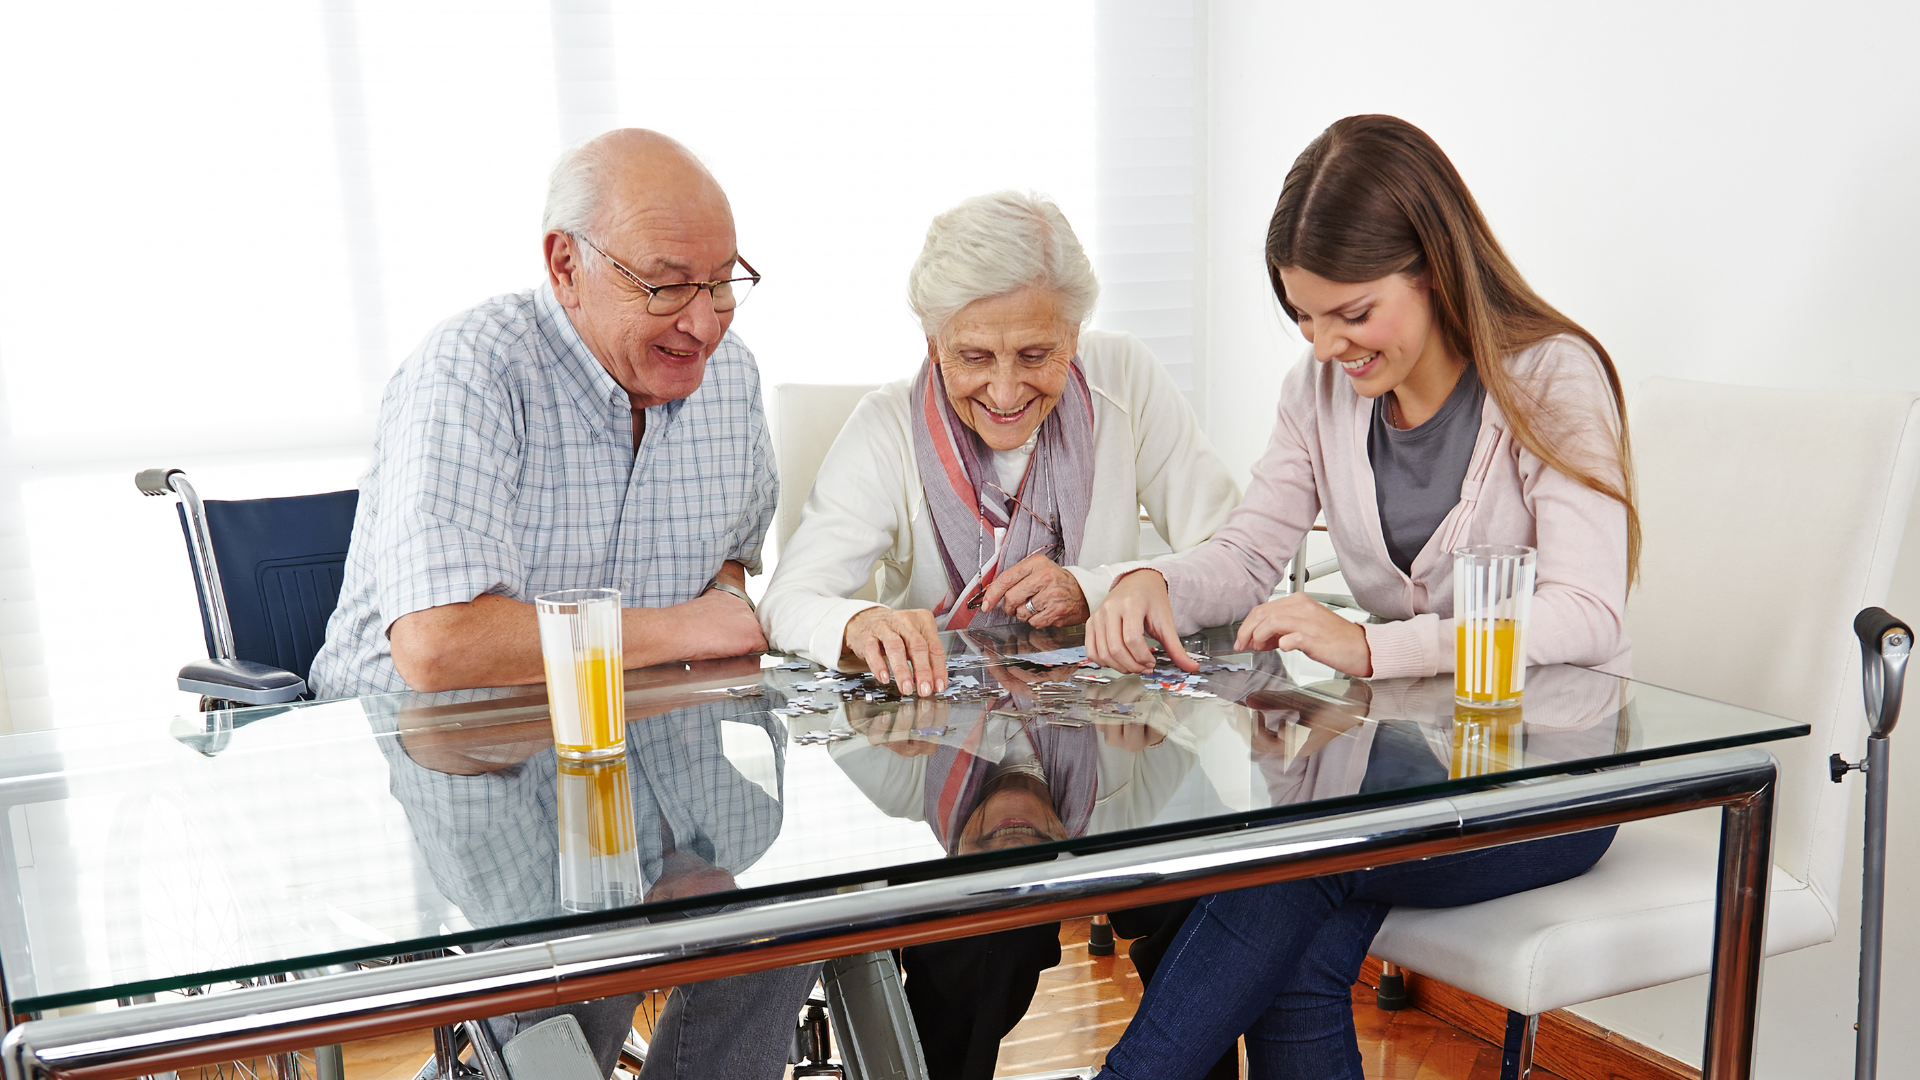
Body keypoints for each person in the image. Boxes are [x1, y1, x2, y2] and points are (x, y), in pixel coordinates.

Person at [1083, 114, 1638, 1079]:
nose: (1327, 343)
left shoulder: (1551, 376)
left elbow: (1591, 612)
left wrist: (1378, 648)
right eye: (1304, 315)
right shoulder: (1319, 392)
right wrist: (1149, 580)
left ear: (1432, 263)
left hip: (1553, 784)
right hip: (1407, 775)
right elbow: (1252, 549)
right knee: (1294, 926)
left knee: (1288, 873)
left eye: (1354, 312)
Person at [308, 128, 809, 1080]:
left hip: (632, 741)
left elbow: (732, 565)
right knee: (581, 967)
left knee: (789, 925)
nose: (701, 322)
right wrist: (678, 633)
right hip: (438, 755)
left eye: (722, 283)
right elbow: (438, 647)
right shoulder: (472, 371)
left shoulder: (729, 381)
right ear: (565, 264)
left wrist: (720, 605)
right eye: (665, 284)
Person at [758, 190, 1241, 696]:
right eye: (973, 356)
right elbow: (787, 600)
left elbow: (1236, 560)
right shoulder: (885, 426)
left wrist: (1095, 589)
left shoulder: (1125, 378)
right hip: (934, 735)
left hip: (1103, 727)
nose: (1006, 393)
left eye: (1035, 355)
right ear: (933, 343)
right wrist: (859, 622)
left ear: (1074, 335)